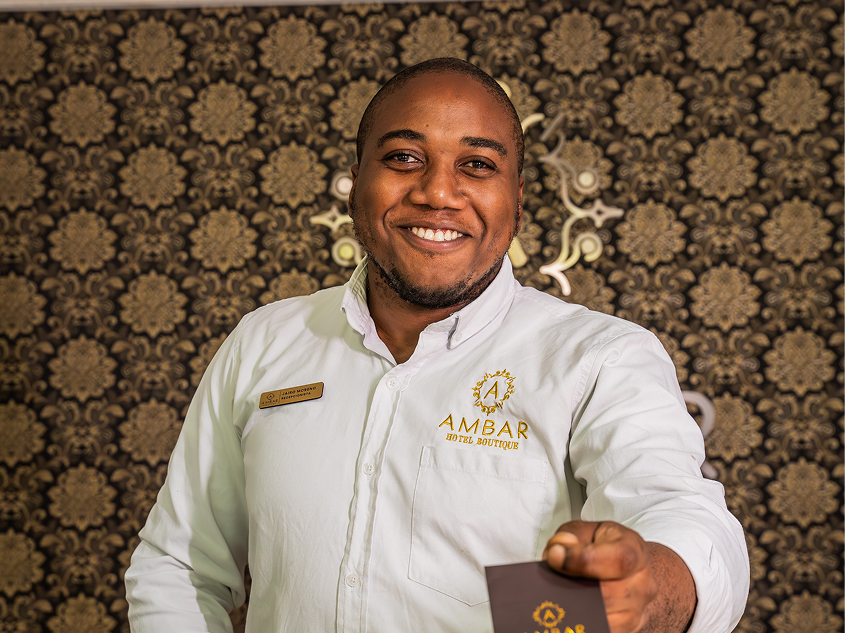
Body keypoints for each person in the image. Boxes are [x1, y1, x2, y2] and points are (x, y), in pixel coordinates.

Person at [125, 58, 749, 633]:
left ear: (518, 200)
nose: (438, 193)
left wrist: (656, 585)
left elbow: (680, 514)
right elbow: (180, 567)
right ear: (355, 182)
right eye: (403, 158)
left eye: (477, 165)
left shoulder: (600, 358)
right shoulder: (264, 342)